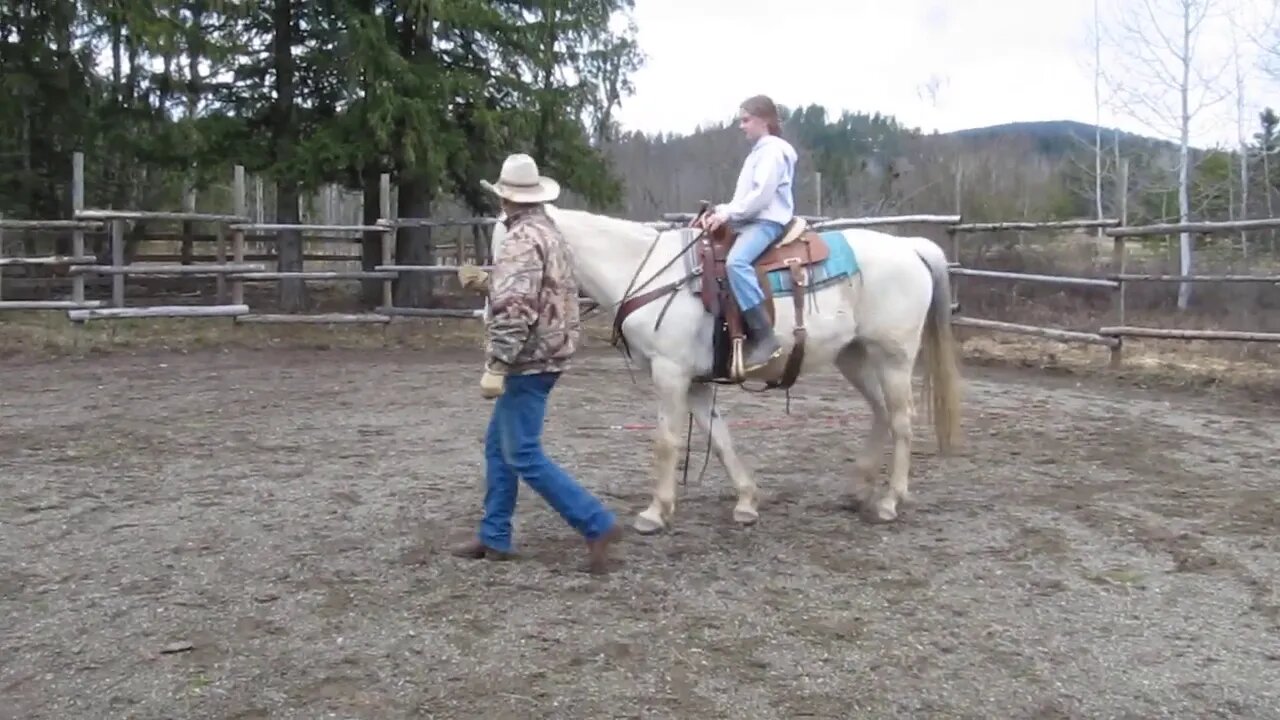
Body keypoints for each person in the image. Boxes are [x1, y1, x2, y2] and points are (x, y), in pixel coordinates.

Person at [451, 152, 622, 574]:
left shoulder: (520, 240)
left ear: (506, 199)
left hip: (528, 357)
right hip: (550, 350)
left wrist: (497, 362)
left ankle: (596, 522)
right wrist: (490, 281)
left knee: (522, 452)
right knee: (499, 447)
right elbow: (538, 290)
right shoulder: (549, 232)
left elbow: (516, 306)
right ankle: (494, 535)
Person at [698, 94, 798, 371]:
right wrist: (720, 210)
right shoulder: (760, 152)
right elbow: (746, 198)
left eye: (746, 120)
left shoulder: (773, 151)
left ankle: (765, 336)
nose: (741, 126)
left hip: (766, 222)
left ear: (763, 121)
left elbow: (761, 197)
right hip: (751, 220)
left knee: (737, 263)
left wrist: (728, 214)